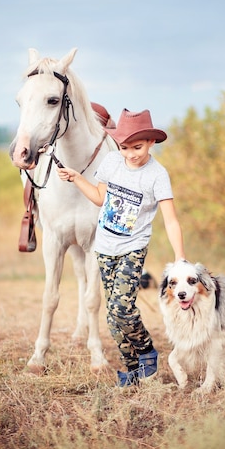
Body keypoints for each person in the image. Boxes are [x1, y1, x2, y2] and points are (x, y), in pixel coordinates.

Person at [57, 108, 185, 387]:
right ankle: (132, 369)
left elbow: (171, 220)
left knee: (122, 307)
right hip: (104, 248)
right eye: (125, 147)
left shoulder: (157, 175)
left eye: (137, 147)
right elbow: (100, 198)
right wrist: (77, 177)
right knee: (113, 316)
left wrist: (180, 258)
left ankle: (147, 351)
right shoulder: (113, 162)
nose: (131, 154)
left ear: (151, 142)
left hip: (132, 248)